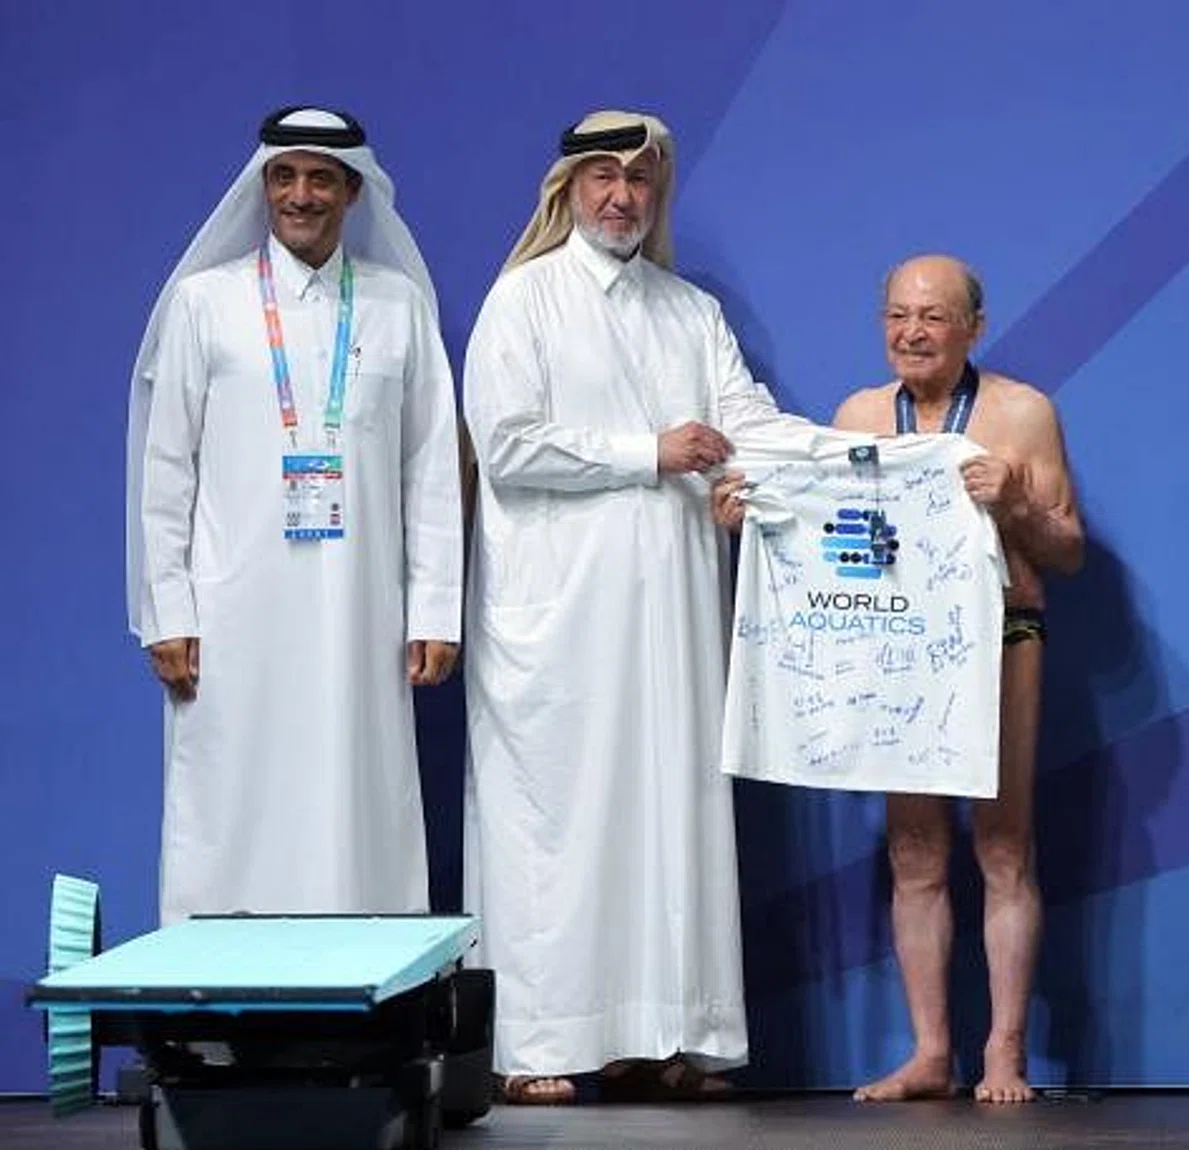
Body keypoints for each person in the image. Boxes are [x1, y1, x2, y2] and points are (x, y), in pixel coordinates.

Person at [462, 109, 802, 1106]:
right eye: (603, 177)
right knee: (555, 821)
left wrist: (858, 467)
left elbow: (749, 424)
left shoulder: (690, 312)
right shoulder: (523, 300)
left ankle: (660, 1038)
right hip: (558, 620)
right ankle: (534, 1044)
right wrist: (646, 451)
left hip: (673, 618)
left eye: (639, 179)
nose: (621, 196)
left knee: (668, 817)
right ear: (567, 188)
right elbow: (506, 443)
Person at [716, 254, 1083, 1103]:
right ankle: (930, 1053)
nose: (912, 333)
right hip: (898, 651)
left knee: (1003, 848)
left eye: (933, 316)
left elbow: (1067, 551)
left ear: (974, 328)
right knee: (914, 852)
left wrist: (1015, 505)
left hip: (1000, 639)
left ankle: (1005, 1052)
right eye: (898, 316)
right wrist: (748, 518)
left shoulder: (1023, 412)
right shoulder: (857, 417)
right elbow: (829, 537)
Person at [128, 106, 462, 926]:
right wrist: (166, 610)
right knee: (230, 798)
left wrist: (434, 609)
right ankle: (219, 990)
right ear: (264, 186)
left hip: (361, 613)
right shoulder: (205, 304)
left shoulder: (397, 305)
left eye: (320, 178)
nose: (300, 196)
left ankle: (359, 988)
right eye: (284, 177)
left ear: (353, 190)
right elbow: (166, 468)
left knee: (356, 797)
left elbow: (430, 468)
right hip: (232, 614)